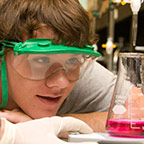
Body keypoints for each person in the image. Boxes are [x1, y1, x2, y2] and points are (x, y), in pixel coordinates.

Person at [0, 0, 117, 142]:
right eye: (41, 60)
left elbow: (138, 114)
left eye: (72, 60)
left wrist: (55, 125)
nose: (61, 82)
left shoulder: (79, 69)